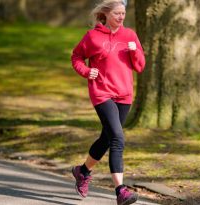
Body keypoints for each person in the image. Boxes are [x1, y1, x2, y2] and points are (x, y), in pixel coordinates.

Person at [70, 0, 145, 204]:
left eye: (123, 13)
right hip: (102, 93)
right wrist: (86, 71)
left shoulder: (129, 35)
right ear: (105, 14)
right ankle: (120, 191)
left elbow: (139, 66)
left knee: (107, 138)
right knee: (117, 139)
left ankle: (82, 171)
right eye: (117, 13)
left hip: (124, 94)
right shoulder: (92, 37)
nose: (121, 17)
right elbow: (76, 56)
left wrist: (134, 51)